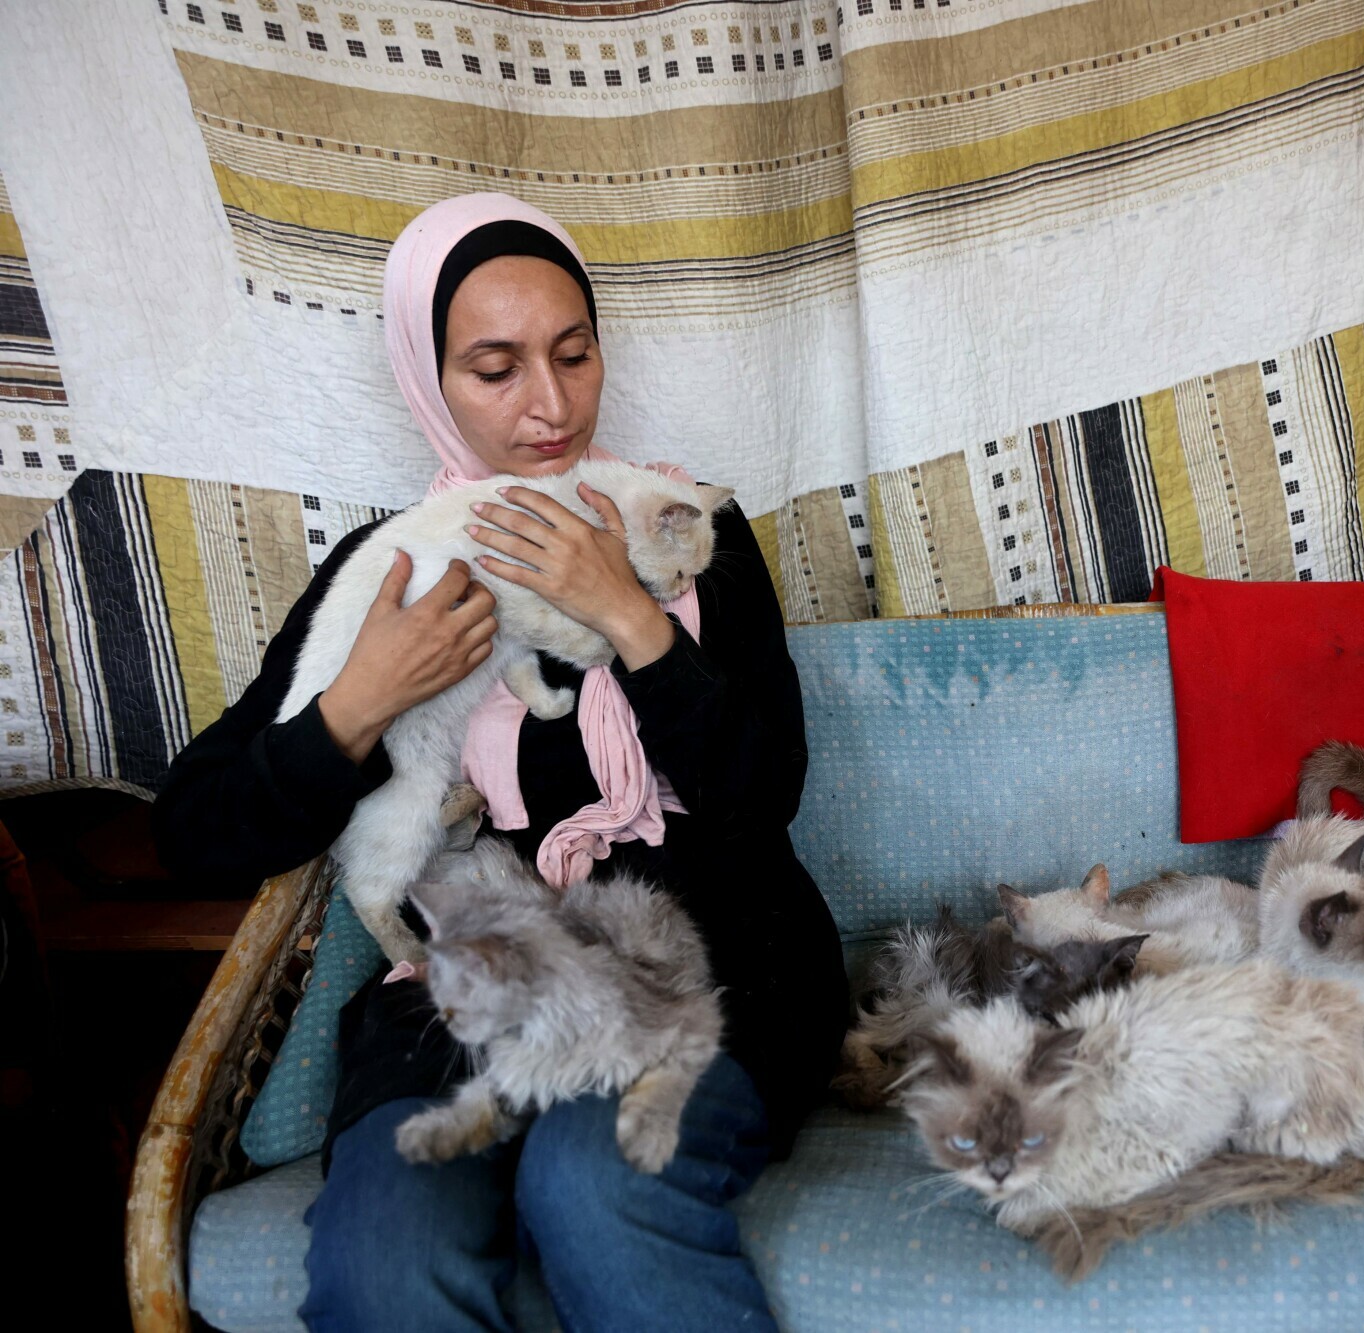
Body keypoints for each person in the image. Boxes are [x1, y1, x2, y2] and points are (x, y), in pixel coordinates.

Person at [152, 194, 848, 1332]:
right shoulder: (393, 575)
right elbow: (193, 827)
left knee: (591, 1173)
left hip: (699, 961)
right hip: (468, 992)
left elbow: (761, 795)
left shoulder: (682, 535)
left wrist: (626, 613)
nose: (552, 404)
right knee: (386, 1253)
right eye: (495, 368)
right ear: (428, 380)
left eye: (574, 354)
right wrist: (360, 703)